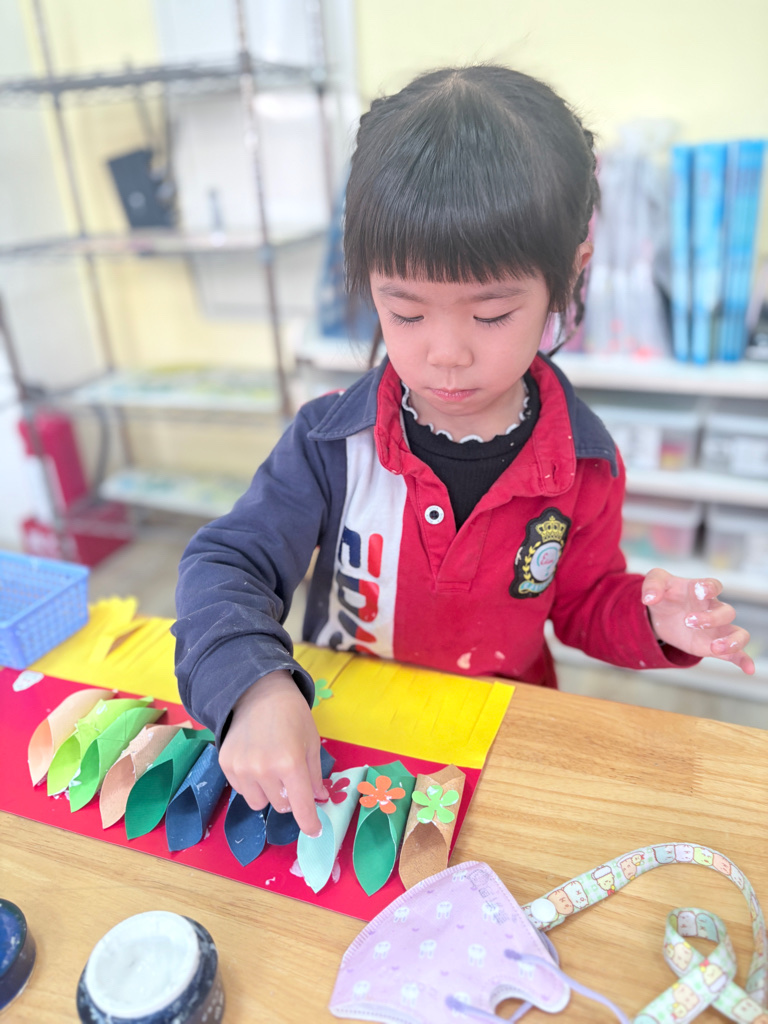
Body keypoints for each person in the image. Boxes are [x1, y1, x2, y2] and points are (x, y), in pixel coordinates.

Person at [172, 65, 754, 839]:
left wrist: (652, 620)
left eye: (491, 314)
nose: (445, 354)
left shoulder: (584, 464)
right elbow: (227, 563)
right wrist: (255, 688)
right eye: (406, 312)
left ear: (570, 273)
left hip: (497, 745)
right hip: (342, 740)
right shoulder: (330, 443)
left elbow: (582, 603)